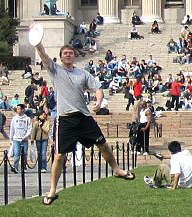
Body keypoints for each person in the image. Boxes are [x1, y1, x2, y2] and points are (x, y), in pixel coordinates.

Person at [34, 37, 135, 205]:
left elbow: (97, 88)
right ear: (60, 57)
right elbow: (43, 55)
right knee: (59, 155)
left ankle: (117, 170)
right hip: (65, 119)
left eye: (71, 53)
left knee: (103, 144)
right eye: (65, 53)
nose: (68, 55)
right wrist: (37, 42)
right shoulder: (55, 70)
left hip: (83, 117)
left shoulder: (82, 73)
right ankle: (52, 190)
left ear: (75, 56)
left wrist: (99, 100)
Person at [9, 104, 32, 174]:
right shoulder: (14, 118)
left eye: (19, 109)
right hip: (16, 139)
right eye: (17, 109)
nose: (17, 110)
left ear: (23, 110)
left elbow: (29, 129)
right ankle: (15, 167)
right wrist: (11, 138)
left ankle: (24, 167)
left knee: (24, 154)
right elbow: (12, 129)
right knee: (16, 154)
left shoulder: (27, 119)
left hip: (24, 139)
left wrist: (26, 136)